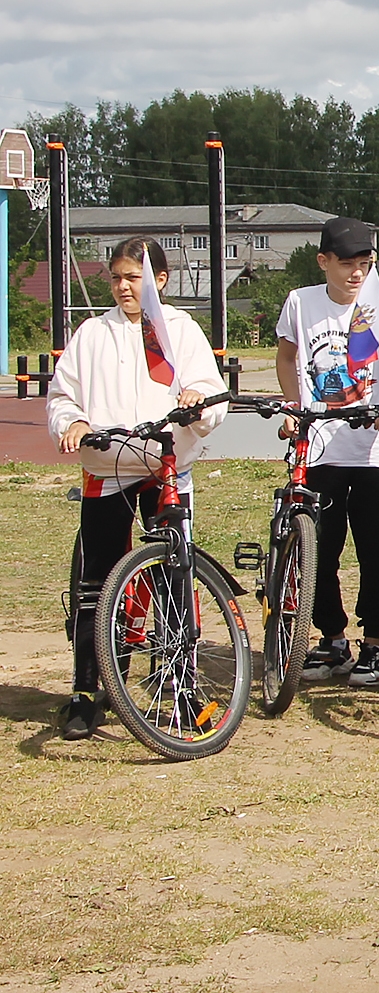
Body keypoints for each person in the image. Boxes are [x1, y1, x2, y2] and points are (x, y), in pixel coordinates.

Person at [46, 236, 228, 740]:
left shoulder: (179, 330)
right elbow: (62, 396)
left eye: (134, 277)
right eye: (117, 277)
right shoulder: (91, 334)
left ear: (159, 281)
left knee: (173, 578)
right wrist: (74, 422)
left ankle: (181, 685)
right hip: (107, 470)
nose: (124, 287)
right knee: (95, 584)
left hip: (165, 468)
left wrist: (197, 400)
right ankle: (88, 689)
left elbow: (211, 394)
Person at [275, 216, 379, 686]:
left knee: (375, 550)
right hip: (322, 445)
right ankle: (332, 638)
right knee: (319, 549)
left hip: (374, 448)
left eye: (364, 264)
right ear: (323, 262)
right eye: (346, 264)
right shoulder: (300, 303)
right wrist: (293, 406)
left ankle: (373, 643)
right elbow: (287, 356)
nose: (356, 274)